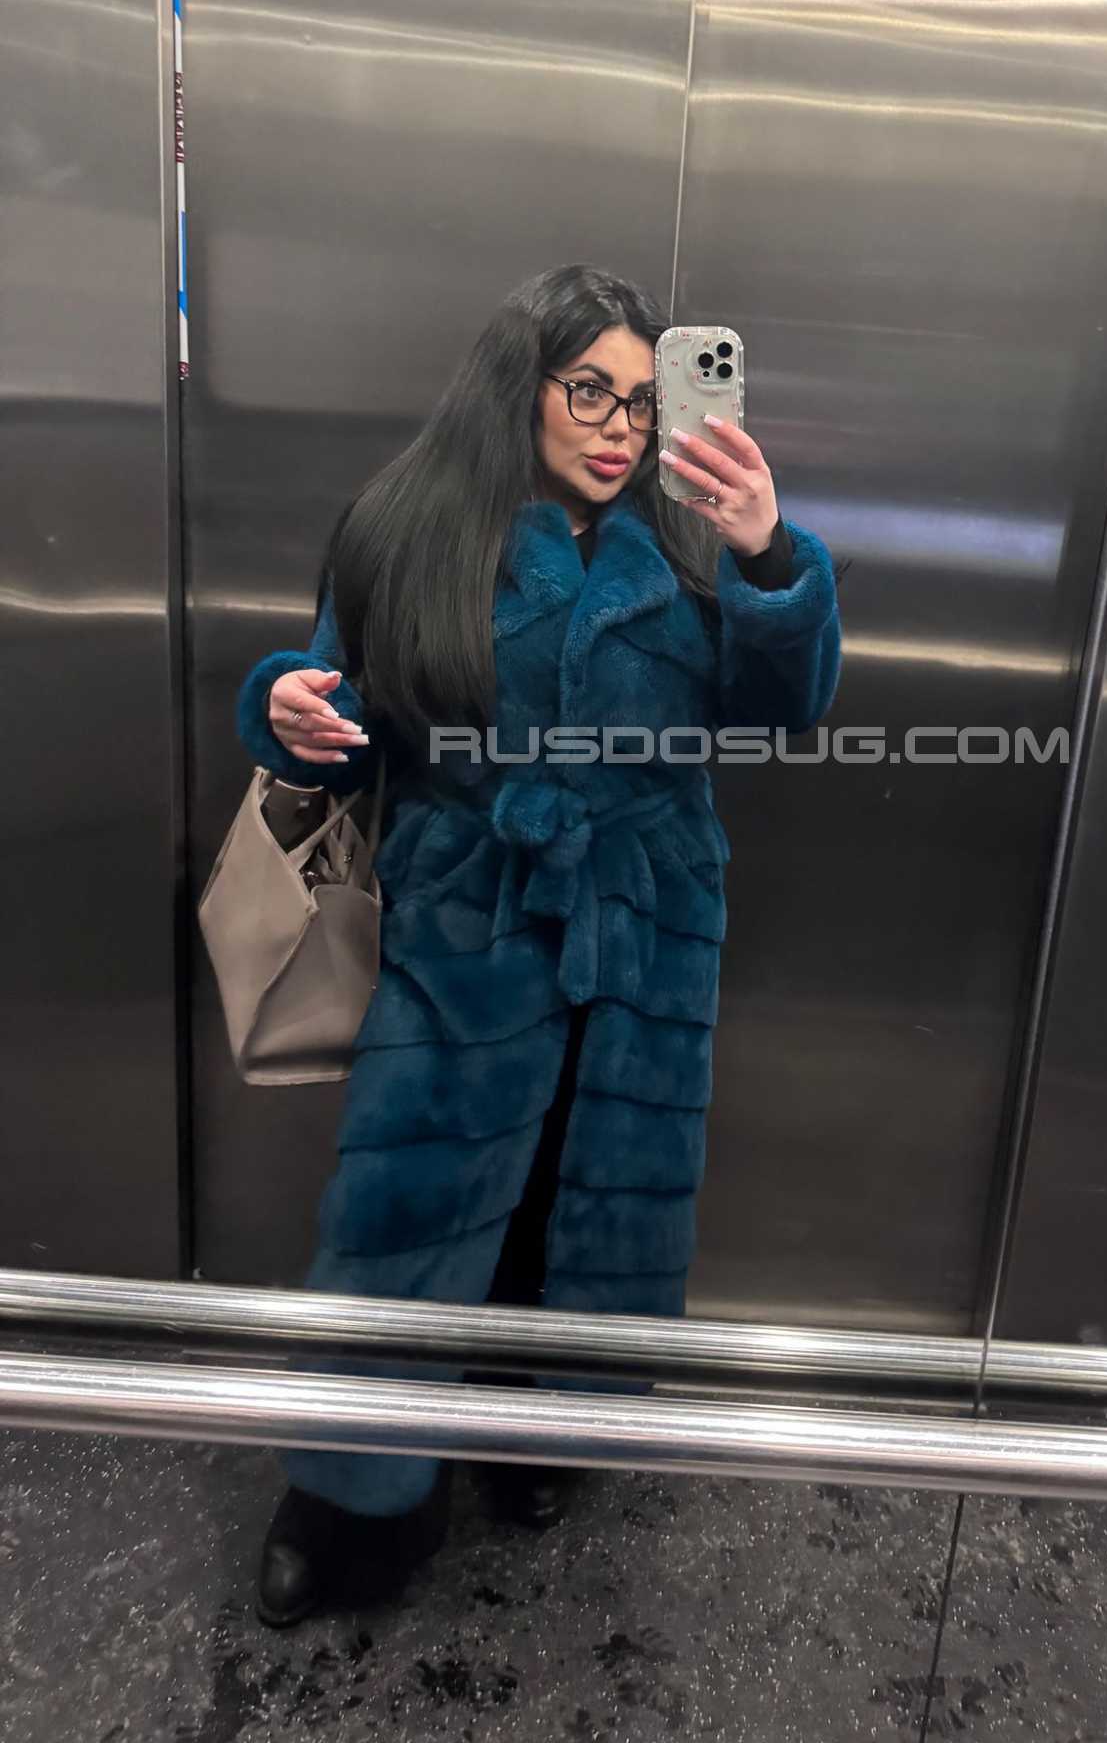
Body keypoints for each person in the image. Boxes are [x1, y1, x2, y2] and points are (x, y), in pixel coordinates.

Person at [236, 264, 842, 1624]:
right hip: (469, 920)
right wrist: (285, 709)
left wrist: (768, 557)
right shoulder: (408, 526)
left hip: (646, 923)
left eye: (641, 399)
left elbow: (785, 708)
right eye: (589, 393)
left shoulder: (693, 531)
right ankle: (349, 1498)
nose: (622, 427)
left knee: (589, 1196)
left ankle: (545, 1437)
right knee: (409, 1209)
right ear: (520, 386)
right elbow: (338, 711)